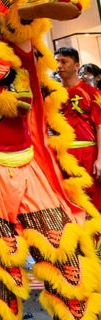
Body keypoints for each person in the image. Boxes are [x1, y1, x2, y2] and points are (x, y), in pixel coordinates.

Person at [55, 46, 101, 210]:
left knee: (92, 199)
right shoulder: (52, 94)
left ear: (76, 66)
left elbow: (99, 126)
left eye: (64, 61)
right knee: (67, 199)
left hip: (88, 153)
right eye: (58, 62)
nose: (59, 66)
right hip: (62, 154)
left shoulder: (91, 92)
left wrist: (100, 158)